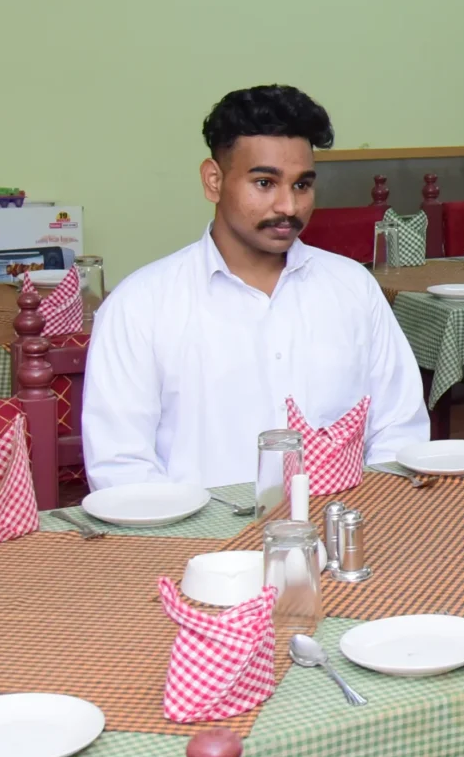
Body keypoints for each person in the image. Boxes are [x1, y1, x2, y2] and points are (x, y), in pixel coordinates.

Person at [84, 85, 427, 491]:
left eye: (302, 185)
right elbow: (121, 468)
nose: (288, 207)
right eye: (265, 183)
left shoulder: (353, 289)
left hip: (342, 522)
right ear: (213, 180)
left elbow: (398, 431)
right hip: (190, 530)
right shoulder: (140, 306)